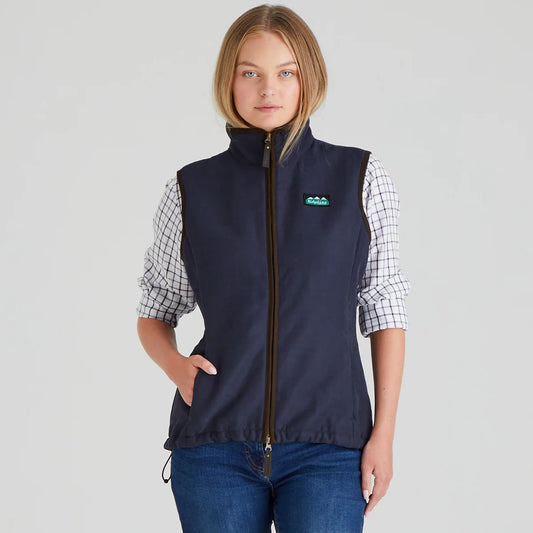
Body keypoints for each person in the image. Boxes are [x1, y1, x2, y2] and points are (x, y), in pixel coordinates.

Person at [136, 4, 410, 532]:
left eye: (286, 73)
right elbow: (155, 307)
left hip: (329, 447)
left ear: (308, 78)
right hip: (215, 448)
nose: (268, 89)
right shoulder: (191, 189)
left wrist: (384, 434)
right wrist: (176, 368)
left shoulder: (359, 177)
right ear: (229, 81)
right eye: (250, 73)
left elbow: (386, 309)